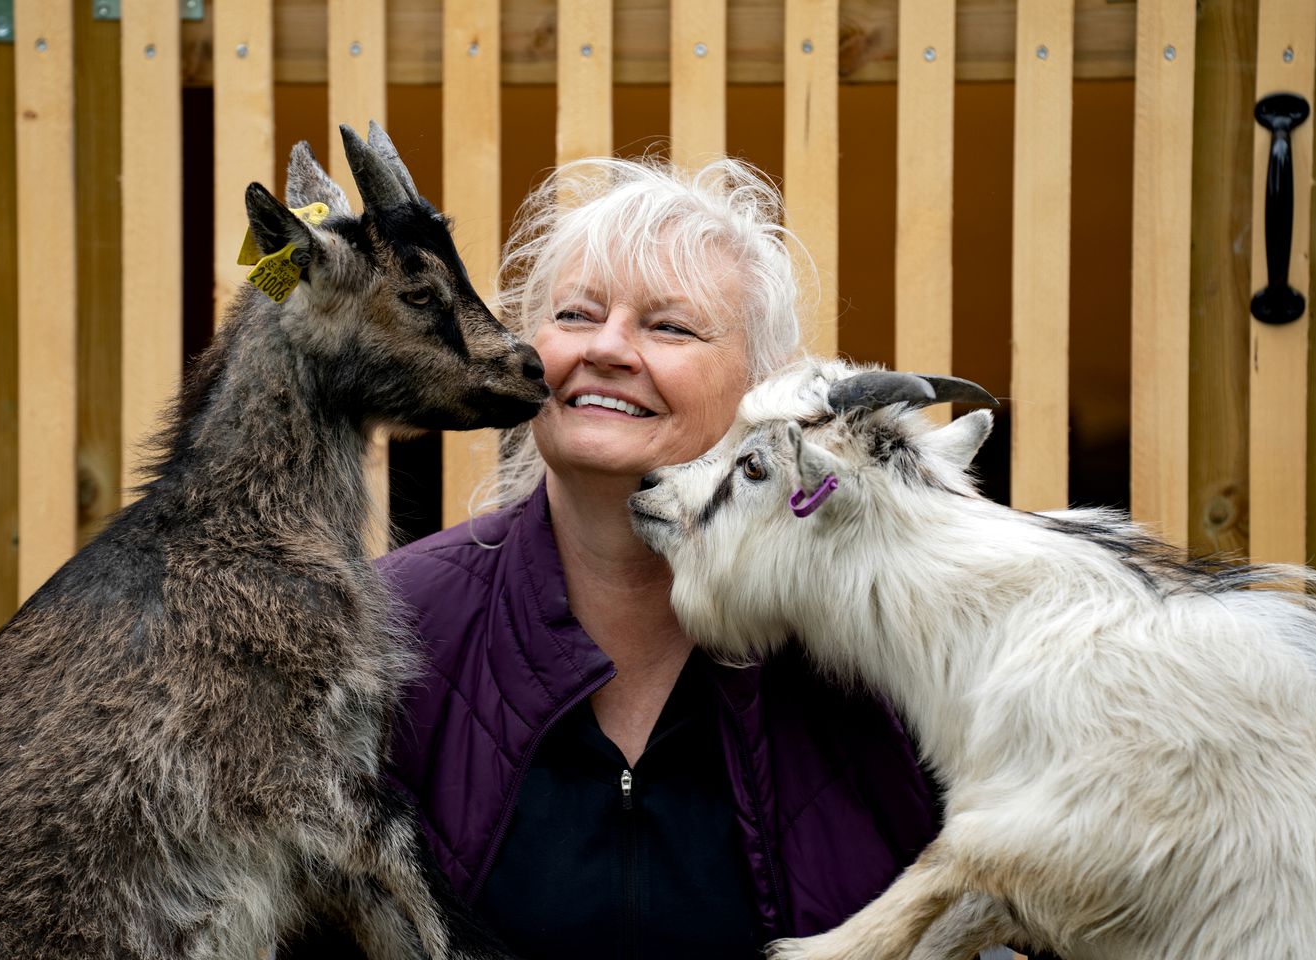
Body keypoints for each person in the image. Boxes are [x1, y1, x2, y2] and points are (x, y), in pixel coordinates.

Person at [287, 156, 940, 958]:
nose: (608, 349)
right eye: (574, 315)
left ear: (762, 389)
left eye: (669, 326)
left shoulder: (885, 643)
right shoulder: (380, 628)